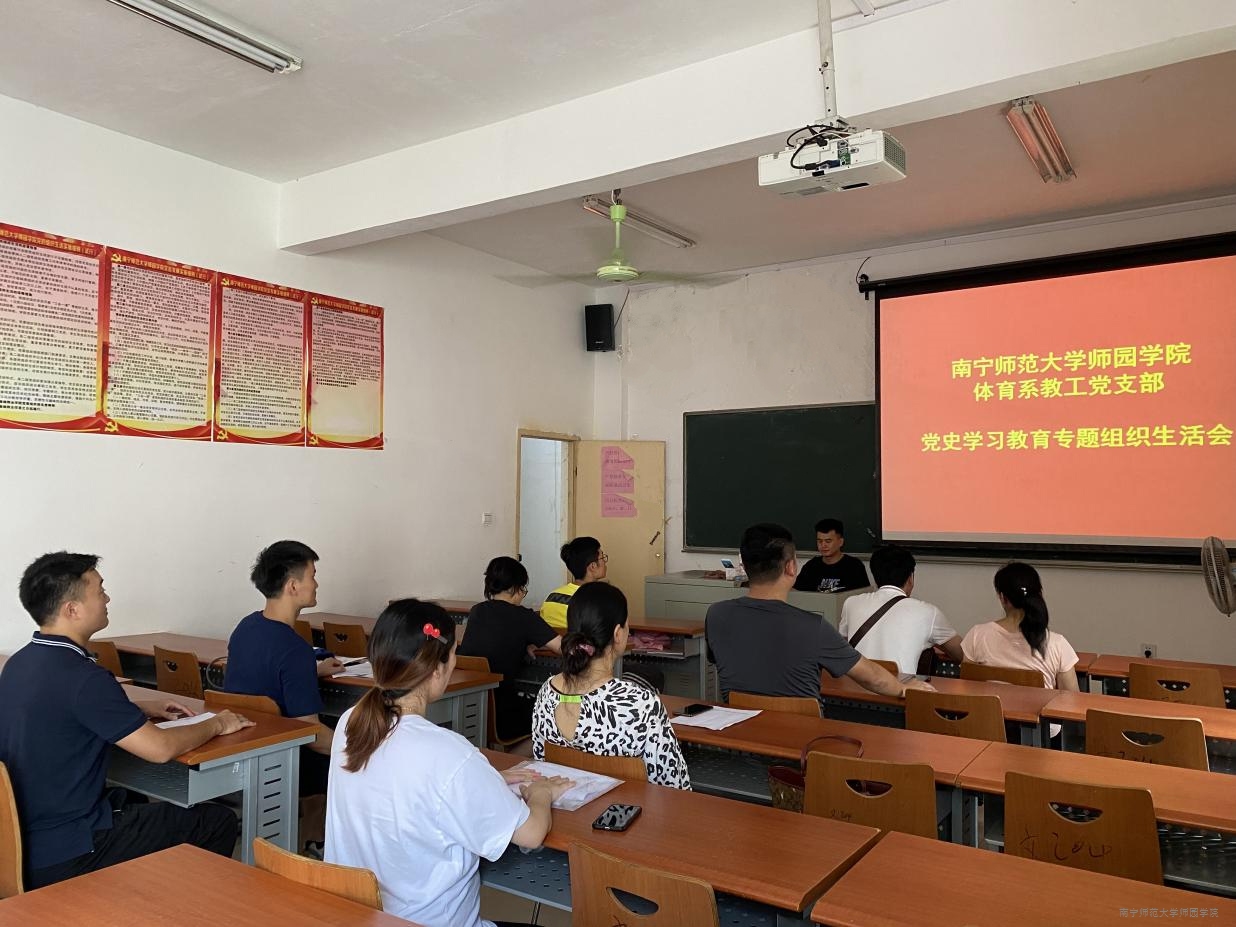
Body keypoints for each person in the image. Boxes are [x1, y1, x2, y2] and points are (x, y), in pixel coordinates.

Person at [0, 552, 253, 889]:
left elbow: (59, 712)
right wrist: (217, 724)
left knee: (132, 800)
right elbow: (160, 749)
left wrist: (136, 709)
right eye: (99, 591)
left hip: (20, 840)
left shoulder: (19, 662)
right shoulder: (84, 678)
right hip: (69, 848)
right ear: (72, 610)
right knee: (216, 821)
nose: (107, 599)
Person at [326, 599, 572, 927]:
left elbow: (408, 783)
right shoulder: (448, 754)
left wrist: (484, 780)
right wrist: (541, 794)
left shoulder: (351, 722)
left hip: (359, 919)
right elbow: (530, 834)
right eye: (454, 653)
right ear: (437, 668)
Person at [706, 523, 935, 702]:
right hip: (803, 739)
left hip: (740, 728)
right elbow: (872, 677)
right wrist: (903, 688)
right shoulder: (812, 627)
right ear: (791, 567)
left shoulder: (716, 615)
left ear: (745, 567)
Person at [223, 540, 341, 849]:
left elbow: (263, 675)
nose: (316, 584)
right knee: (348, 744)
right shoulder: (294, 649)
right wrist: (359, 748)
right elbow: (311, 734)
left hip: (243, 748)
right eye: (312, 576)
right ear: (292, 586)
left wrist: (311, 671)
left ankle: (311, 832)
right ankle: (316, 841)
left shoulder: (246, 627)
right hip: (281, 760)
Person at [531, 583, 690, 789]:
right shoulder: (640, 704)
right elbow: (675, 787)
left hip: (567, 808)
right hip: (628, 809)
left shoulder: (547, 692)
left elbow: (541, 765)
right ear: (617, 633)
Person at [459, 556, 562, 742]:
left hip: (473, 708)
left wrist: (531, 640)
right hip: (505, 713)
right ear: (514, 587)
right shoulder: (523, 616)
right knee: (554, 717)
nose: (523, 594)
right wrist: (536, 640)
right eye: (523, 588)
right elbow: (562, 647)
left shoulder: (477, 611)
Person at [838, 545, 964, 676]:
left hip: (854, 685)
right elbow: (962, 654)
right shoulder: (928, 612)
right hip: (898, 687)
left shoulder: (851, 603)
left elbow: (840, 647)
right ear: (910, 579)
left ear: (875, 577)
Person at [962, 562, 1079, 691]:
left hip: (988, 705)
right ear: (1040, 595)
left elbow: (967, 693)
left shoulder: (976, 636)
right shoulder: (1057, 645)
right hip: (1037, 705)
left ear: (1002, 598)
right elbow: (1071, 699)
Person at [540, 536, 607, 631]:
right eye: (602, 557)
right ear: (593, 566)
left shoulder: (551, 597)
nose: (605, 562)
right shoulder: (598, 600)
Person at [793, 518, 871, 593]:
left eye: (828, 541)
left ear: (840, 542)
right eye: (820, 541)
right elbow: (796, 593)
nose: (823, 545)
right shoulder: (811, 566)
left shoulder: (854, 566)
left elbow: (863, 596)